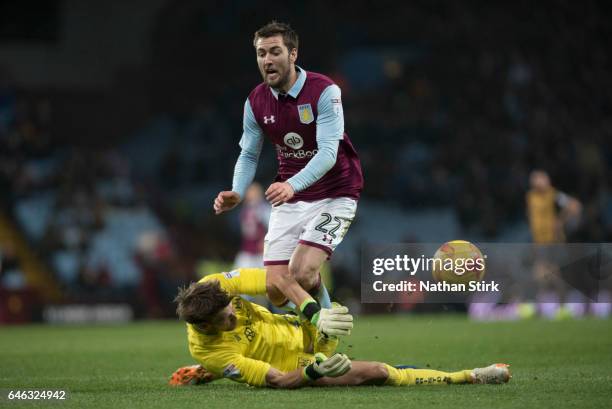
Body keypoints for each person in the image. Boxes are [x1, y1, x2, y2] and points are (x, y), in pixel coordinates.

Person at [213, 21, 363, 314]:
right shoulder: (256, 101)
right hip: (291, 197)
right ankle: (315, 311)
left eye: (275, 52)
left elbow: (328, 153)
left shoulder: (324, 90)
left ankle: (325, 325)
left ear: (293, 54)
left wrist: (292, 184)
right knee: (276, 290)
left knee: (302, 272)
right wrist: (237, 191)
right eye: (260, 53)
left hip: (336, 193)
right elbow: (248, 155)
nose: (267, 60)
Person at [169, 268, 511, 388]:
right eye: (225, 321)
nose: (234, 317)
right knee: (376, 372)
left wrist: (315, 313)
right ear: (206, 327)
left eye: (232, 310)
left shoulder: (214, 286)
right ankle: (470, 376)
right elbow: (275, 380)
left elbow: (276, 279)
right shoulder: (210, 350)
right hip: (297, 364)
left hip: (303, 325)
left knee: (305, 276)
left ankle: (215, 374)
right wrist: (314, 372)